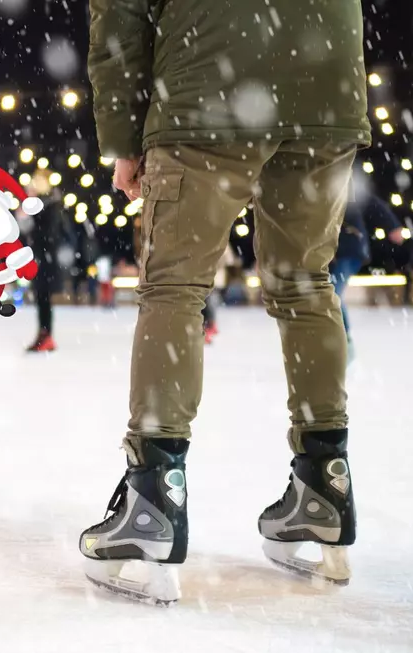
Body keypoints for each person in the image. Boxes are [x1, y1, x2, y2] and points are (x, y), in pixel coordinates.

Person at [79, 0, 370, 603]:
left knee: (174, 290)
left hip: (205, 89)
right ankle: (325, 480)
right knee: (307, 282)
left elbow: (120, 23)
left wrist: (123, 140)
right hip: (326, 84)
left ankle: (153, 495)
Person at [332, 194, 404, 362]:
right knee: (326, 293)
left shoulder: (339, 181)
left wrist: (392, 225)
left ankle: (344, 342)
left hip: (349, 248)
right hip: (329, 252)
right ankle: (332, 340)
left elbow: (370, 201)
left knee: (331, 293)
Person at [24, 170, 62, 352]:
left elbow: (48, 234)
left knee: (43, 298)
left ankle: (46, 336)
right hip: (40, 257)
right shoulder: (43, 205)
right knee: (41, 298)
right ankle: (44, 334)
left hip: (45, 259)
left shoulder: (51, 205)